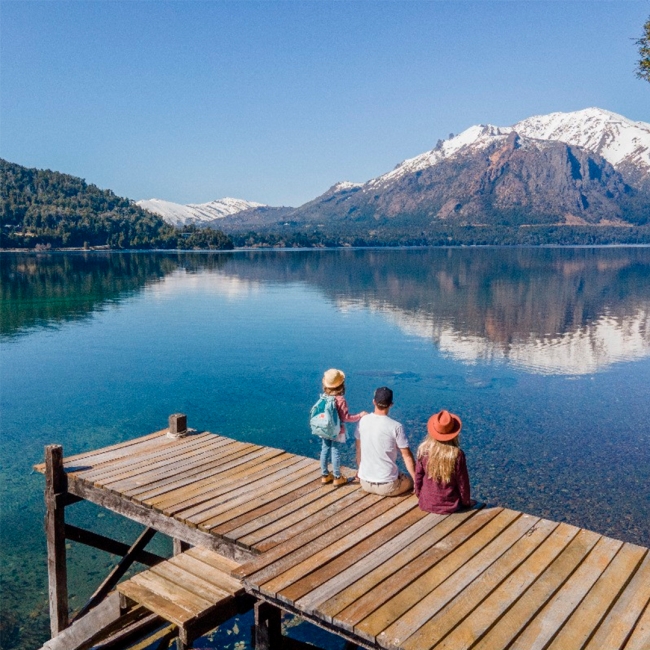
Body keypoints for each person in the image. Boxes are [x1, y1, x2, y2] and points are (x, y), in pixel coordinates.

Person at [355, 386, 415, 496]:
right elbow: (407, 456)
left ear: (374, 402)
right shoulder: (396, 426)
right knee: (409, 480)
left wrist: (360, 471)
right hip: (388, 486)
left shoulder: (362, 421)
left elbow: (358, 449)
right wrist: (417, 481)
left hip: (365, 483)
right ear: (391, 404)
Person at [415, 409, 472, 514]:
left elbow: (418, 476)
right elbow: (463, 483)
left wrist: (420, 495)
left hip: (426, 503)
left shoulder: (423, 451)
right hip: (451, 506)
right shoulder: (457, 455)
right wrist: (466, 502)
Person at [320, 369, 367, 486]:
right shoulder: (340, 400)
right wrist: (359, 416)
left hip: (324, 428)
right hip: (336, 430)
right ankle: (337, 477)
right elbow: (345, 418)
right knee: (335, 451)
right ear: (341, 385)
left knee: (324, 449)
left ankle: (325, 475)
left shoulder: (324, 397)